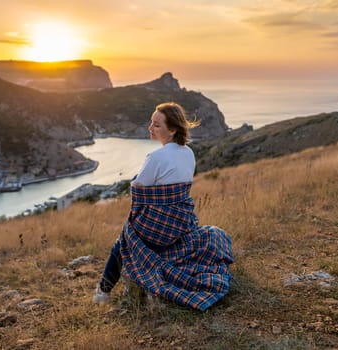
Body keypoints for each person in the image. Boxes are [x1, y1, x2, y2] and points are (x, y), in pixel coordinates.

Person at [93, 102, 234, 311]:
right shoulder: (189, 153)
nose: (150, 128)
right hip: (182, 223)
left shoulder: (156, 157)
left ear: (173, 129)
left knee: (122, 242)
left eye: (157, 125)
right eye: (151, 122)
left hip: (156, 228)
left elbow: (138, 187)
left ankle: (102, 293)